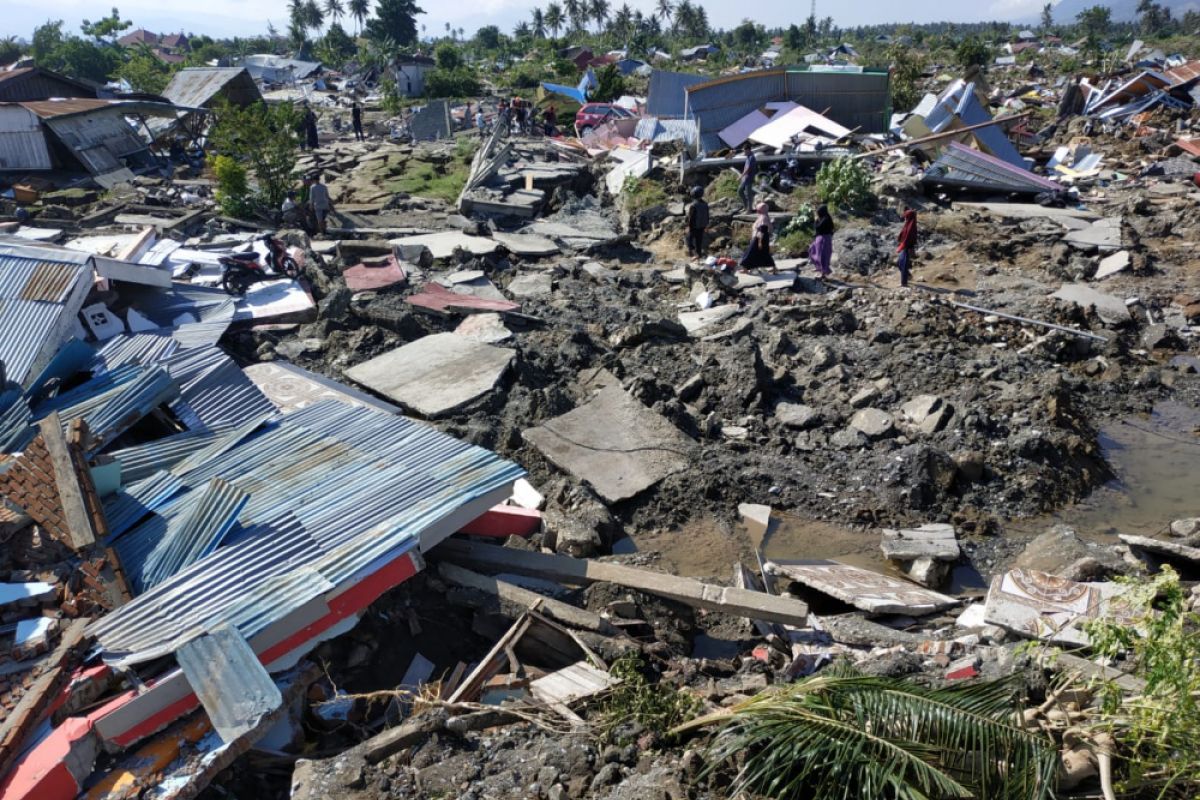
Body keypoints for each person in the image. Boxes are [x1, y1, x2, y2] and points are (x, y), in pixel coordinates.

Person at [739, 202, 775, 269]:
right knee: (763, 254)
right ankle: (774, 268)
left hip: (759, 239)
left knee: (750, 253)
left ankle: (745, 268)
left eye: (758, 209)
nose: (757, 211)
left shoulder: (763, 218)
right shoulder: (763, 216)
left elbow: (762, 230)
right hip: (760, 238)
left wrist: (760, 242)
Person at [809, 204, 834, 278]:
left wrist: (815, 220)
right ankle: (819, 268)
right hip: (820, 238)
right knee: (812, 251)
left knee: (822, 255)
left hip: (824, 239)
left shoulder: (826, 219)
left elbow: (817, 227)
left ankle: (823, 273)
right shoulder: (824, 217)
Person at [896, 206, 918, 288]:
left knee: (903, 264)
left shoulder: (911, 226)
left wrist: (902, 246)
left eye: (906, 217)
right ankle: (907, 275)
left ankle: (904, 283)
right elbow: (903, 234)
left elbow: (909, 237)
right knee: (899, 263)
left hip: (907, 247)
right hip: (904, 246)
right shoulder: (908, 223)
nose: (905, 218)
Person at [684, 186, 709, 259]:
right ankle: (699, 255)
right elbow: (707, 215)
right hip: (702, 226)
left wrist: (689, 227)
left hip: (694, 226)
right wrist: (707, 225)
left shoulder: (693, 205)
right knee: (699, 242)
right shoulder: (705, 204)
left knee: (688, 239)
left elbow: (691, 218)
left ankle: (694, 254)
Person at [738, 142, 757, 213]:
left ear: (748, 150)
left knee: (748, 194)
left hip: (749, 178)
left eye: (744, 151)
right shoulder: (748, 157)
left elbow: (748, 169)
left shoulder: (751, 157)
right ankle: (746, 206)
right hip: (745, 179)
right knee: (740, 191)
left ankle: (749, 209)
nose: (743, 152)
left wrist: (741, 176)